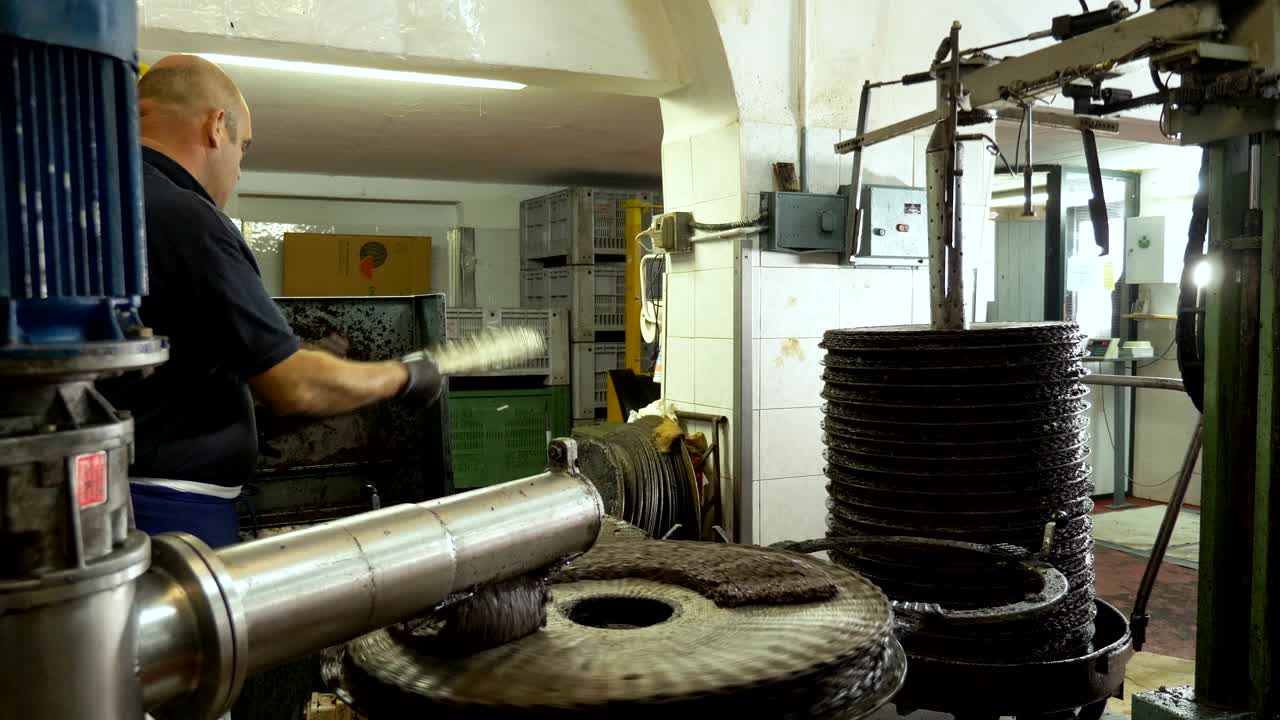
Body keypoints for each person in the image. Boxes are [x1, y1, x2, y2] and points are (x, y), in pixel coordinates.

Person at [101, 55, 442, 548]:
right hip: (170, 512)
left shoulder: (106, 202)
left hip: (116, 496)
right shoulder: (189, 218)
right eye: (243, 147)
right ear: (216, 127)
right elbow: (293, 387)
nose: (239, 170)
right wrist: (405, 376)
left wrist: (293, 362)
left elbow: (170, 371)